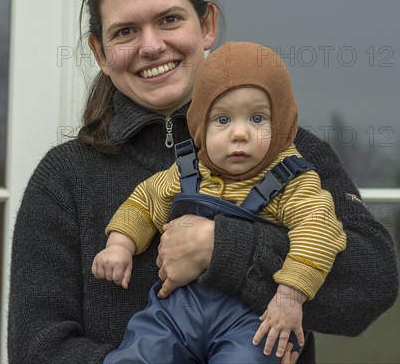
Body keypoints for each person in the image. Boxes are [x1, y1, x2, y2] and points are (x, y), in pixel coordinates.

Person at [7, 0, 400, 363]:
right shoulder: (64, 177)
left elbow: (372, 284)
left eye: (169, 20)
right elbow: (37, 348)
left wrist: (223, 249)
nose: (151, 46)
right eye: (125, 31)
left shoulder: (291, 154)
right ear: (100, 53)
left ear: (207, 24)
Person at [92, 41, 347, 362]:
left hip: (249, 320)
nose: (239, 133)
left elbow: (319, 231)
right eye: (223, 120)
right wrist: (119, 245)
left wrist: (290, 296)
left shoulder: (291, 181)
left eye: (257, 118)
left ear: (281, 122)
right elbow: (144, 202)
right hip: (176, 313)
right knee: (140, 354)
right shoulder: (187, 170)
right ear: (200, 125)